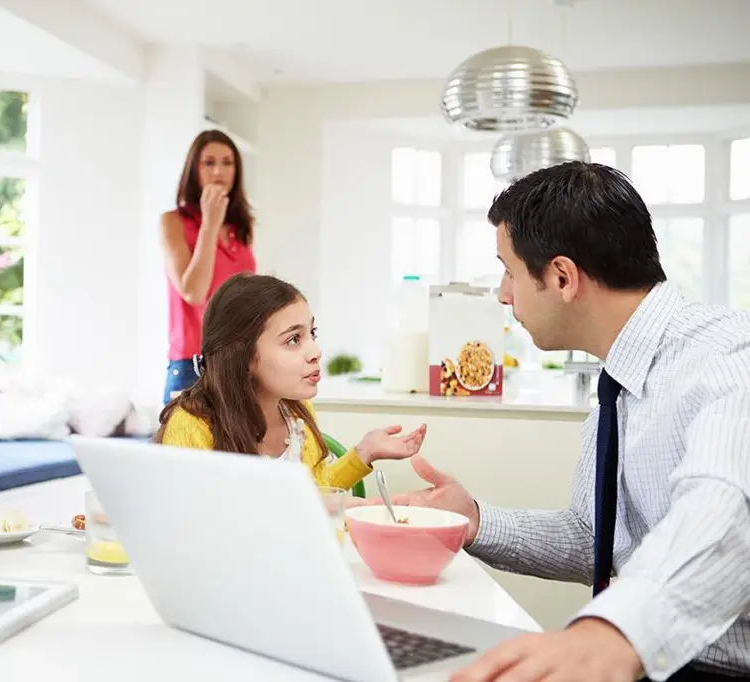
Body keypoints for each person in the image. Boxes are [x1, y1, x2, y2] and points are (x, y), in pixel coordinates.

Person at [391, 162, 749, 682]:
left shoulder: (727, 355)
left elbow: (727, 508)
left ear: (562, 277)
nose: (503, 294)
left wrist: (613, 633)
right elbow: (598, 539)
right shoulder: (618, 380)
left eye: (509, 272)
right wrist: (475, 520)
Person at [156, 273, 427, 490]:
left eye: (312, 333)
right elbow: (193, 525)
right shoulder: (191, 427)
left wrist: (364, 452)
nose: (316, 351)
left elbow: (315, 492)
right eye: (293, 340)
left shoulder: (297, 414)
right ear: (244, 357)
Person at [160, 129, 257, 404]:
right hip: (191, 364)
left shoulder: (241, 227)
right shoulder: (172, 223)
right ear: (194, 169)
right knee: (182, 446)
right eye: (209, 162)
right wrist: (210, 223)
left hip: (238, 363)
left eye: (227, 163)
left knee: (235, 448)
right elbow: (193, 291)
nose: (219, 172)